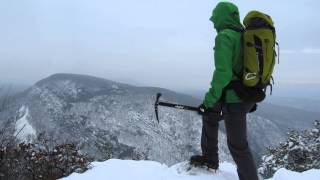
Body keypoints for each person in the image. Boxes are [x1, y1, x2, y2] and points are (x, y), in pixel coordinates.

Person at [190, 2, 259, 180]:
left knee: (238, 146)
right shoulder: (243, 35)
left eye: (215, 19)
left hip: (235, 97)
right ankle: (210, 159)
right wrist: (211, 105)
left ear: (221, 18)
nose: (213, 23)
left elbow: (223, 73)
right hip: (246, 93)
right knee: (210, 114)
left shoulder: (225, 36)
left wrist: (209, 99)